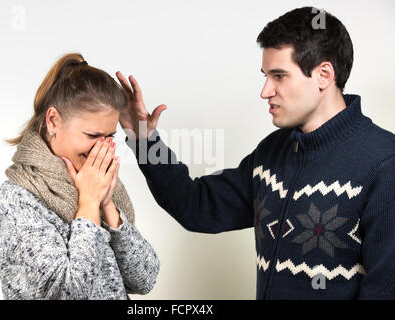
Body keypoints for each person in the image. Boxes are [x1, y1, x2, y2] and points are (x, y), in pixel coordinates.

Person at [115, 6, 395, 299]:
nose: (265, 91)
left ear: (324, 75)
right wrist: (143, 139)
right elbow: (196, 206)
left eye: (279, 76)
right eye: (265, 75)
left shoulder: (384, 163)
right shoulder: (272, 152)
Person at [0, 53, 160, 300]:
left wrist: (107, 205)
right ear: (53, 121)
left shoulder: (98, 185)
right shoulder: (15, 200)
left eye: (109, 137)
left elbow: (144, 279)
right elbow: (68, 293)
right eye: (92, 135)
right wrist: (88, 205)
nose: (101, 148)